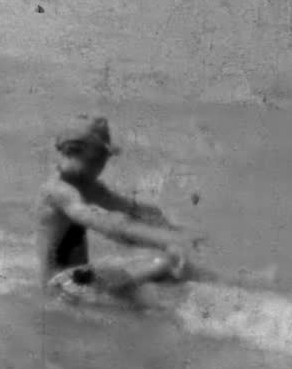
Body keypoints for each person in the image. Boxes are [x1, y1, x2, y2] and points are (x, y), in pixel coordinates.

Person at [35, 115, 204, 301]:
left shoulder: (85, 186)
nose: (104, 164)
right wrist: (168, 240)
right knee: (163, 266)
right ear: (91, 155)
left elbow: (136, 211)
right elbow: (108, 225)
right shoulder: (59, 191)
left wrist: (173, 233)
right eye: (102, 157)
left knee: (168, 269)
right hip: (60, 288)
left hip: (77, 279)